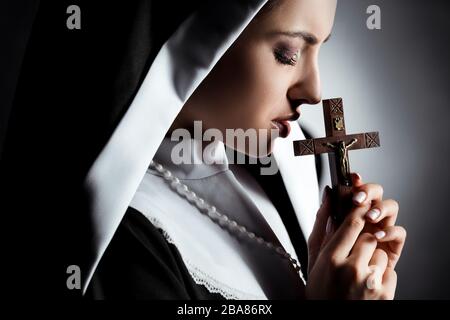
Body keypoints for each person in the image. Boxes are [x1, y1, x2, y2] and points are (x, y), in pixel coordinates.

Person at [85, 0, 406, 299]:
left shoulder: (298, 160)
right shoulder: (127, 244)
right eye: (289, 54)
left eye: (319, 48)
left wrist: (341, 261)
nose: (314, 92)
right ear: (204, 41)